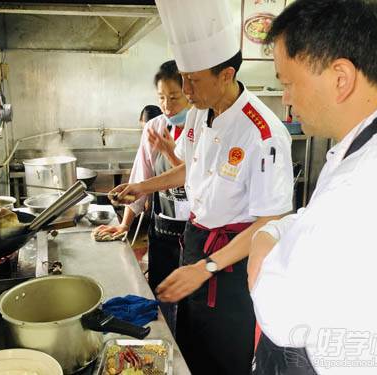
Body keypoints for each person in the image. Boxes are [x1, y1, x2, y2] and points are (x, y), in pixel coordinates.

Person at [110, 0, 294, 373]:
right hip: (195, 241)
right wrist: (143, 186)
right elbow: (190, 172)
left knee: (224, 353)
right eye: (183, 77)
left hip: (234, 262)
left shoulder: (262, 133)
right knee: (190, 339)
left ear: (226, 75)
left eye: (193, 80)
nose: (185, 89)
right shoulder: (198, 111)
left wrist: (206, 267)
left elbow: (271, 219)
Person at [248, 1, 377, 374]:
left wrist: (261, 243)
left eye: (288, 83)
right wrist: (274, 232)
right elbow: (308, 222)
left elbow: (280, 311)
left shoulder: (366, 179)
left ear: (340, 78)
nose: (285, 99)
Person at [95, 60, 191, 333]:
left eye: (174, 97)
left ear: (190, 93)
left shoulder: (202, 128)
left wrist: (172, 153)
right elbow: (140, 179)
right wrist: (125, 224)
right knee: (161, 296)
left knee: (190, 304)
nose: (167, 105)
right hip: (163, 229)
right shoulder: (154, 127)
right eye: (161, 97)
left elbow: (196, 178)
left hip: (194, 233)